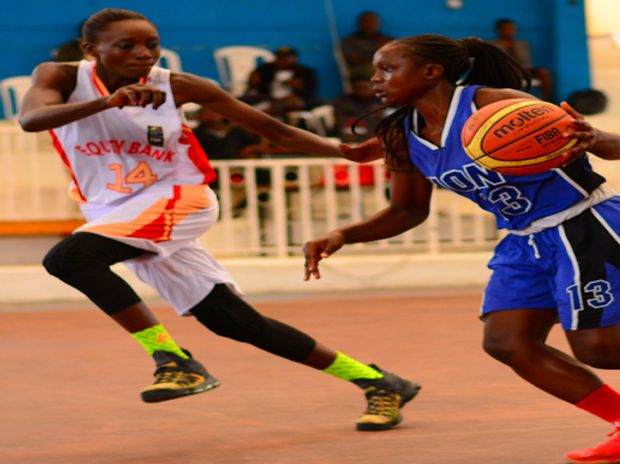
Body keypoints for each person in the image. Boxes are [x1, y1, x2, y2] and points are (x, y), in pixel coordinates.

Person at [302, 34, 620, 462]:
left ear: (432, 73)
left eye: (387, 69)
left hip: (585, 224)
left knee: (604, 350)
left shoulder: (494, 105)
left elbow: (614, 147)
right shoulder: (403, 137)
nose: (374, 80)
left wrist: (592, 136)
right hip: (523, 240)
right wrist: (344, 234)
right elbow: (406, 211)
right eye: (375, 71)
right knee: (508, 343)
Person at [19, 8, 418, 432]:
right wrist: (108, 101)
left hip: (177, 197)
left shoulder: (177, 85)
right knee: (232, 320)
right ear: (90, 50)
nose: (143, 54)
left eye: (151, 44)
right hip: (114, 211)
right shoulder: (60, 77)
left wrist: (342, 150)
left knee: (70, 259)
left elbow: (272, 130)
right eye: (126, 46)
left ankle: (173, 360)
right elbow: (30, 119)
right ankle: (379, 382)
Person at [241, 46, 319, 118]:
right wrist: (254, 81)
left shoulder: (305, 72)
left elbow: (310, 93)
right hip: (268, 100)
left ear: (295, 58)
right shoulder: (265, 69)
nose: (283, 60)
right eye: (280, 57)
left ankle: (261, 118)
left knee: (294, 103)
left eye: (287, 57)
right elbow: (256, 87)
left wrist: (298, 88)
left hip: (290, 102)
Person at [490, 18, 554, 101]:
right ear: (499, 30)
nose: (510, 31)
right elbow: (495, 63)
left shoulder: (522, 44)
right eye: (506, 28)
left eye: (511, 28)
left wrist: (521, 69)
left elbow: (526, 61)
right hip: (503, 71)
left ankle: (547, 100)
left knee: (543, 72)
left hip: (523, 70)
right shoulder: (493, 45)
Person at [340, 11, 394, 81]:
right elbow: (354, 61)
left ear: (379, 23)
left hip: (384, 70)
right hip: (359, 71)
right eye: (366, 22)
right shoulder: (349, 41)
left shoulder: (388, 40)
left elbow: (393, 59)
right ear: (359, 23)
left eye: (373, 22)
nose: (369, 25)